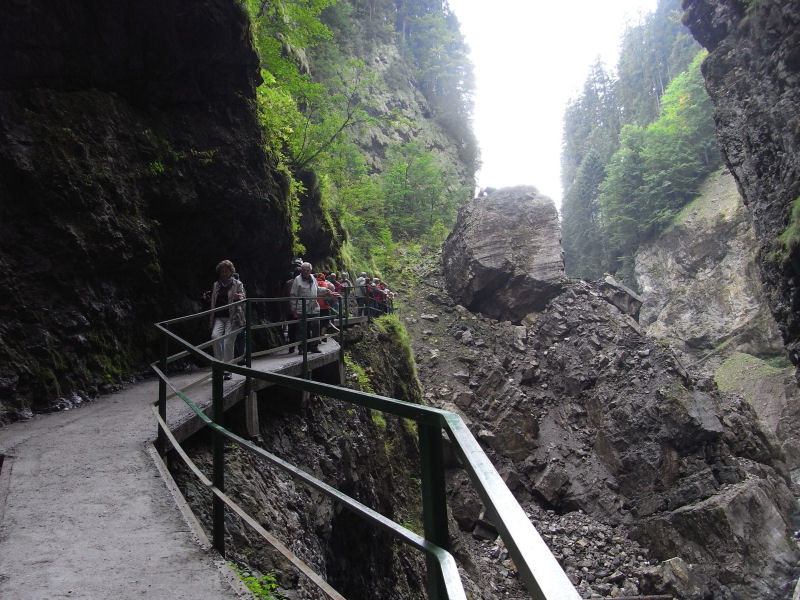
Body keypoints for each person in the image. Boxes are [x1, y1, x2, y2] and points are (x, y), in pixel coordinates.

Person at [208, 260, 245, 379]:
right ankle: (219, 367)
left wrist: (239, 298)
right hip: (219, 316)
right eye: (222, 271)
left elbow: (243, 298)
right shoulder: (216, 285)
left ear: (231, 271)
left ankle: (228, 369)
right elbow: (214, 300)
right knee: (215, 337)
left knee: (228, 341)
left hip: (233, 317)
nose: (224, 273)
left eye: (226, 271)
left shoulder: (237, 284)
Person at [289, 262, 322, 353]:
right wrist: (293, 307)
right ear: (301, 270)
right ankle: (302, 348)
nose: (306, 272)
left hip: (314, 307)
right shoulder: (297, 279)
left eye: (308, 270)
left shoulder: (313, 278)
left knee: (316, 326)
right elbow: (293, 294)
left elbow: (318, 290)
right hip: (302, 308)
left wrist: (326, 290)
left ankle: (314, 346)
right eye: (304, 270)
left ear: (310, 270)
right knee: (302, 329)